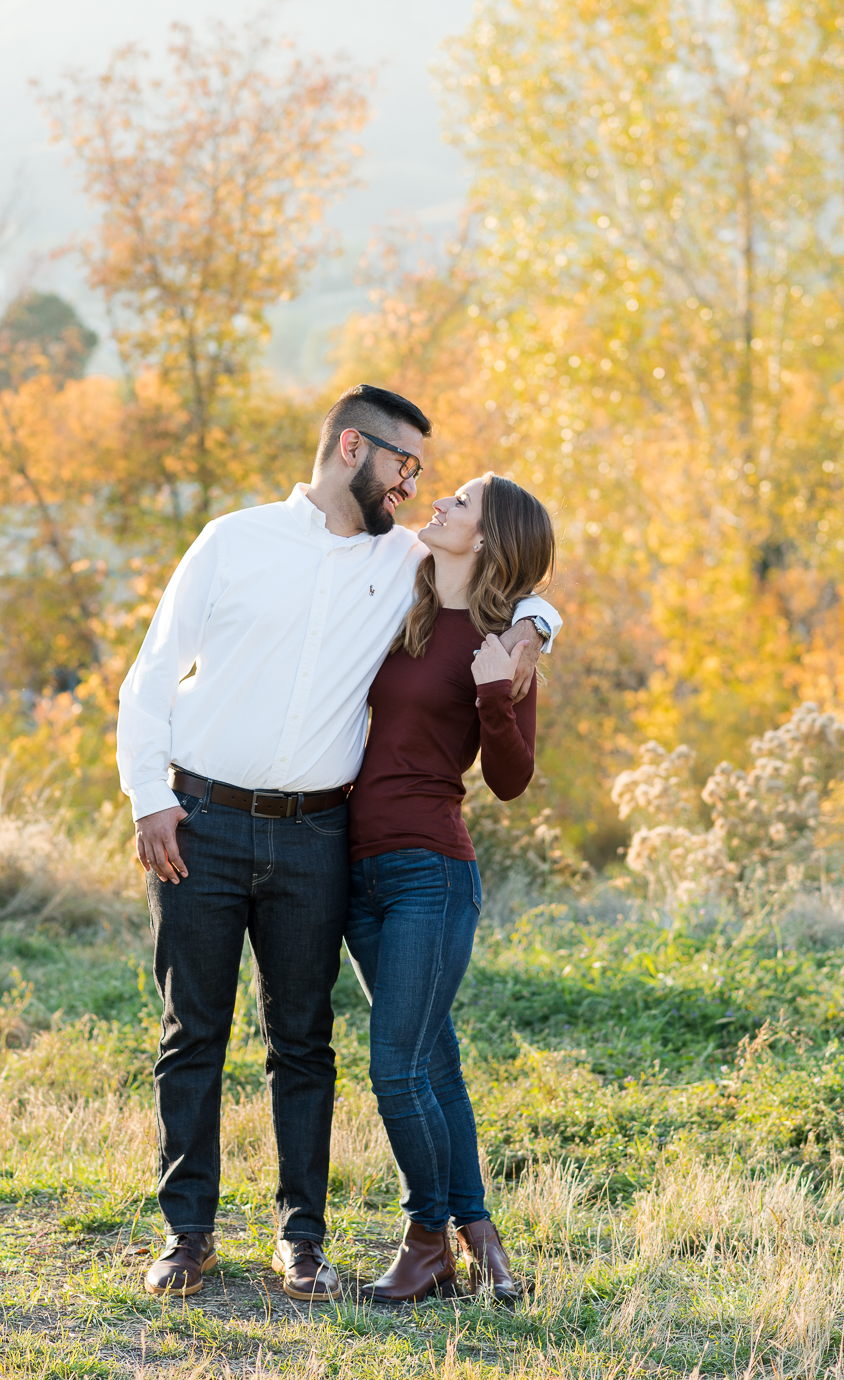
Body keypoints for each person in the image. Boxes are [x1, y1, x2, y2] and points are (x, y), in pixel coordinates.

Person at [116, 385, 562, 1302]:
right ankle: (186, 1234)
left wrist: (532, 628)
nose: (414, 488)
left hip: (321, 835)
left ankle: (304, 1243)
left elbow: (515, 584)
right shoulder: (233, 540)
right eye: (406, 466)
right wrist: (146, 797)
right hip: (199, 820)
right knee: (192, 1032)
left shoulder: (406, 561)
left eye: (430, 481)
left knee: (306, 1043)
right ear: (354, 449)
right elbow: (153, 670)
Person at [344, 472, 556, 1304]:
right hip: (354, 867)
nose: (440, 504)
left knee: (396, 1068)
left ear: (491, 535)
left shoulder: (505, 642)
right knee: (433, 1063)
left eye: (460, 502)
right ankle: (480, 1242)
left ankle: (428, 1238)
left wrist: (496, 689)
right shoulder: (404, 595)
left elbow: (510, 780)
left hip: (431, 868)